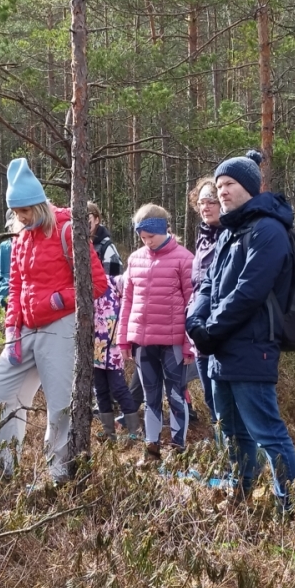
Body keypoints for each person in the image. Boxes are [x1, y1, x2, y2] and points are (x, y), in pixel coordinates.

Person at [186, 151, 295, 511]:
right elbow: (208, 285)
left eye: (229, 184)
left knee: (267, 433)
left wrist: (212, 329)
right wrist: (194, 320)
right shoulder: (228, 233)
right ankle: (241, 494)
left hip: (252, 346)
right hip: (220, 349)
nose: (222, 191)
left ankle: (289, 506)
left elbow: (249, 291)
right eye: (218, 185)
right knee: (231, 431)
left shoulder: (268, 230)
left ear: (250, 187)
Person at [0, 158, 107, 480]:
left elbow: (97, 283)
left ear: (38, 204)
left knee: (60, 407)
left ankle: (58, 475)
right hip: (25, 329)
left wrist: (58, 299)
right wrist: (11, 328)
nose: (20, 218)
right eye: (16, 213)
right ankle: (2, 467)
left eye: (25, 211)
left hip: (60, 325)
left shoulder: (67, 227)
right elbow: (15, 285)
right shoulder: (21, 237)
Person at [117, 204, 195, 461]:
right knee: (151, 397)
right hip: (142, 343)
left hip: (172, 343)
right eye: (142, 237)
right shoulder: (135, 259)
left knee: (175, 395)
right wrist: (124, 339)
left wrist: (188, 345)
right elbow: (127, 302)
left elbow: (192, 305)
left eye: (151, 236)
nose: (147, 241)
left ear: (165, 230)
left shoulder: (185, 259)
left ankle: (178, 448)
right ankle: (151, 448)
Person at [187, 177, 222, 422]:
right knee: (210, 398)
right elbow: (197, 285)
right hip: (200, 330)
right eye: (201, 202)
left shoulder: (231, 234)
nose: (205, 207)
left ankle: (234, 454)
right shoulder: (203, 237)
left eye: (211, 201)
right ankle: (221, 450)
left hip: (220, 328)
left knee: (224, 400)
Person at [92, 266, 139, 441]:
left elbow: (129, 280)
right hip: (94, 350)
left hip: (114, 350)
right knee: (100, 390)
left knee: (119, 389)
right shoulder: (83, 289)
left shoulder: (112, 283)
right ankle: (108, 432)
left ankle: (135, 431)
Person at [0, 213, 20, 310]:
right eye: (11, 226)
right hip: (7, 303)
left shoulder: (30, 245)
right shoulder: (4, 247)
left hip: (27, 302)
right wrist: (1, 289)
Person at [88, 201, 125, 278]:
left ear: (96, 220)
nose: (83, 222)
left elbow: (114, 281)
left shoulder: (107, 248)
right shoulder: (76, 246)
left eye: (87, 218)